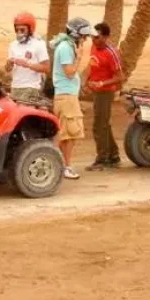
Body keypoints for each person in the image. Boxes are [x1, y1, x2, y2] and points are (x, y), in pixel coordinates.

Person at [49, 16, 97, 180]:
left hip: (68, 96)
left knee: (68, 133)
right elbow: (69, 72)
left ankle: (56, 164)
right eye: (84, 36)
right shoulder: (65, 48)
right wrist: (80, 56)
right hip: (66, 97)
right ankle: (62, 166)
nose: (85, 40)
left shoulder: (67, 46)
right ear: (77, 35)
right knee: (68, 134)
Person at [86, 22, 124, 171]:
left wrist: (102, 83)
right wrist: (88, 81)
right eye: (92, 37)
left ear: (106, 37)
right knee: (104, 124)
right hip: (97, 91)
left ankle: (103, 159)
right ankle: (113, 156)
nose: (94, 40)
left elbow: (120, 76)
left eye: (97, 37)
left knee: (99, 125)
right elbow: (92, 66)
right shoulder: (94, 47)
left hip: (106, 92)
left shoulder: (111, 52)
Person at [5, 12, 50, 103]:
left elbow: (46, 67)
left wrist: (28, 65)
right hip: (15, 87)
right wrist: (9, 64)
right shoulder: (12, 45)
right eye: (17, 30)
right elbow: (8, 69)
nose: (19, 33)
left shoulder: (39, 44)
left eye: (22, 30)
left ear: (30, 29)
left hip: (31, 88)